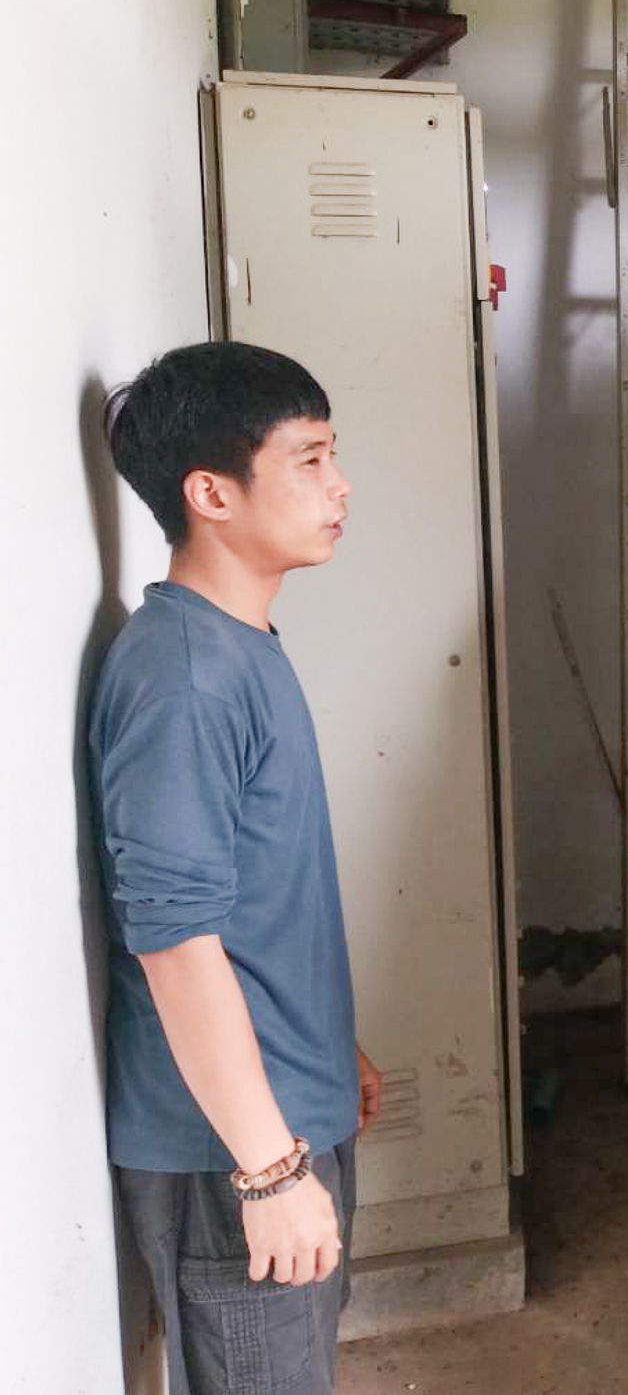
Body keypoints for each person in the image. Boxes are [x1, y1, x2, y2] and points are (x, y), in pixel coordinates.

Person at [91, 342, 382, 1395]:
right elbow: (174, 944)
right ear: (210, 493)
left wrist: (329, 1048)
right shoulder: (184, 678)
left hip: (281, 1113)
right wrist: (268, 1169)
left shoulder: (236, 642)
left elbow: (258, 892)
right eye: (308, 459)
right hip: (230, 1154)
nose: (339, 486)